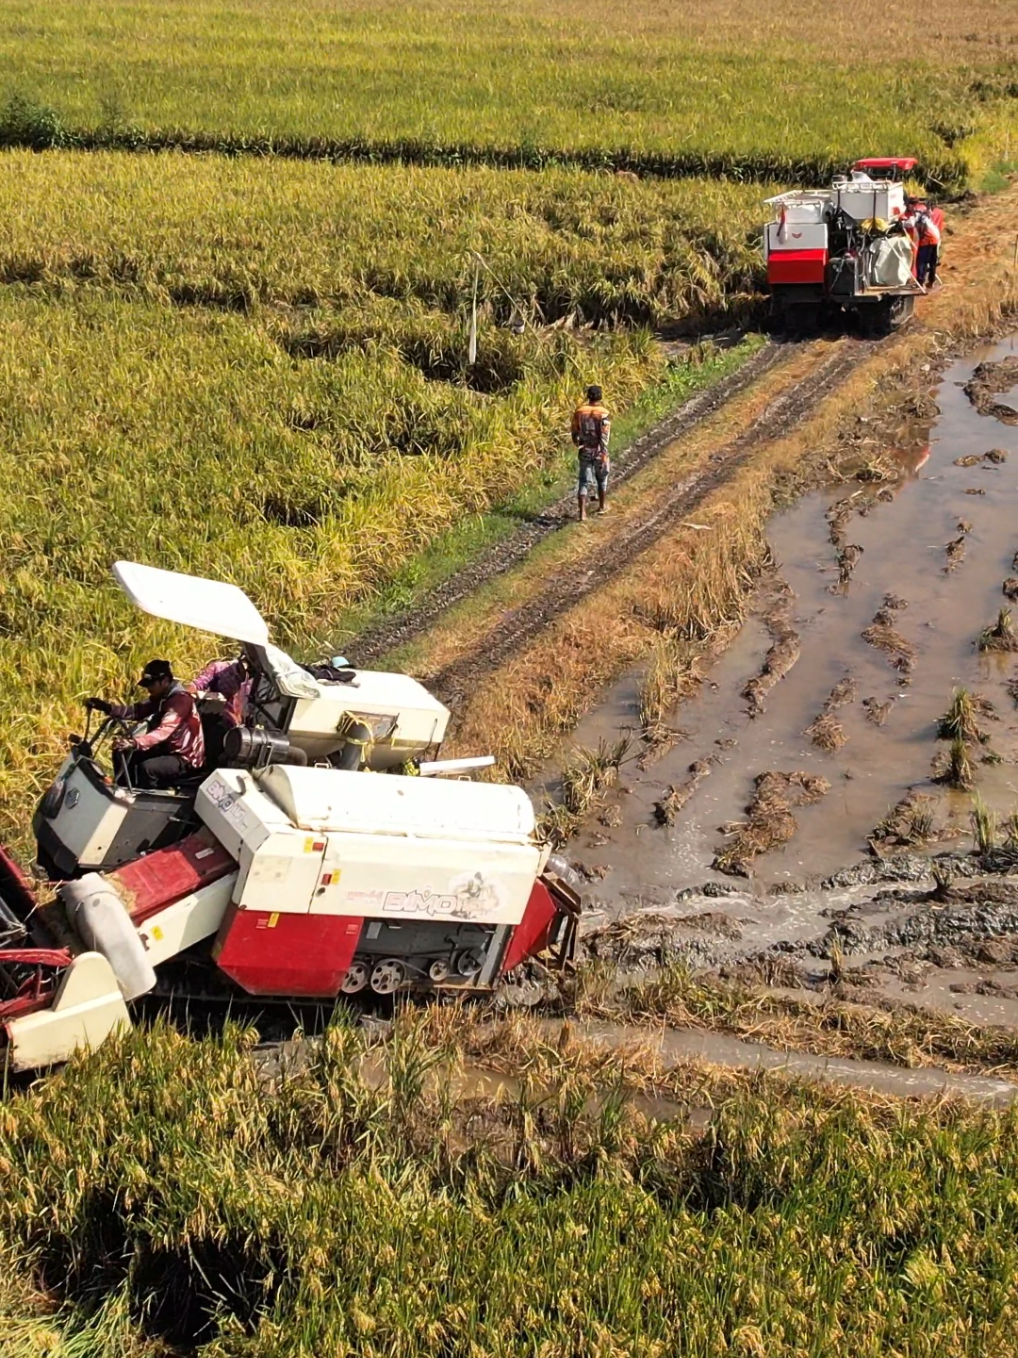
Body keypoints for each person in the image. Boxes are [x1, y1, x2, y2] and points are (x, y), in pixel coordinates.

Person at [86, 660, 205, 789]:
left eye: (151, 684)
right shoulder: (160, 697)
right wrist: (106, 707)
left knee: (148, 769)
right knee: (121, 752)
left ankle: (149, 804)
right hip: (165, 750)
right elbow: (136, 711)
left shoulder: (180, 701)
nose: (148, 689)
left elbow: (163, 731)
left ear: (164, 680)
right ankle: (122, 793)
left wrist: (135, 742)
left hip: (185, 758)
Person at [571, 384, 611, 522]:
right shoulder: (604, 413)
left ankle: (582, 514)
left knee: (583, 481)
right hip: (599, 450)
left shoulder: (580, 412)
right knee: (602, 478)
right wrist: (604, 454)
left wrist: (578, 444)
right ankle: (601, 506)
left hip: (585, 449)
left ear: (588, 396)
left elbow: (574, 432)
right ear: (600, 397)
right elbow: (605, 437)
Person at [188, 654, 252, 728]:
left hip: (235, 726)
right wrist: (189, 692)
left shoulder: (255, 684)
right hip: (209, 716)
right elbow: (198, 683)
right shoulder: (219, 668)